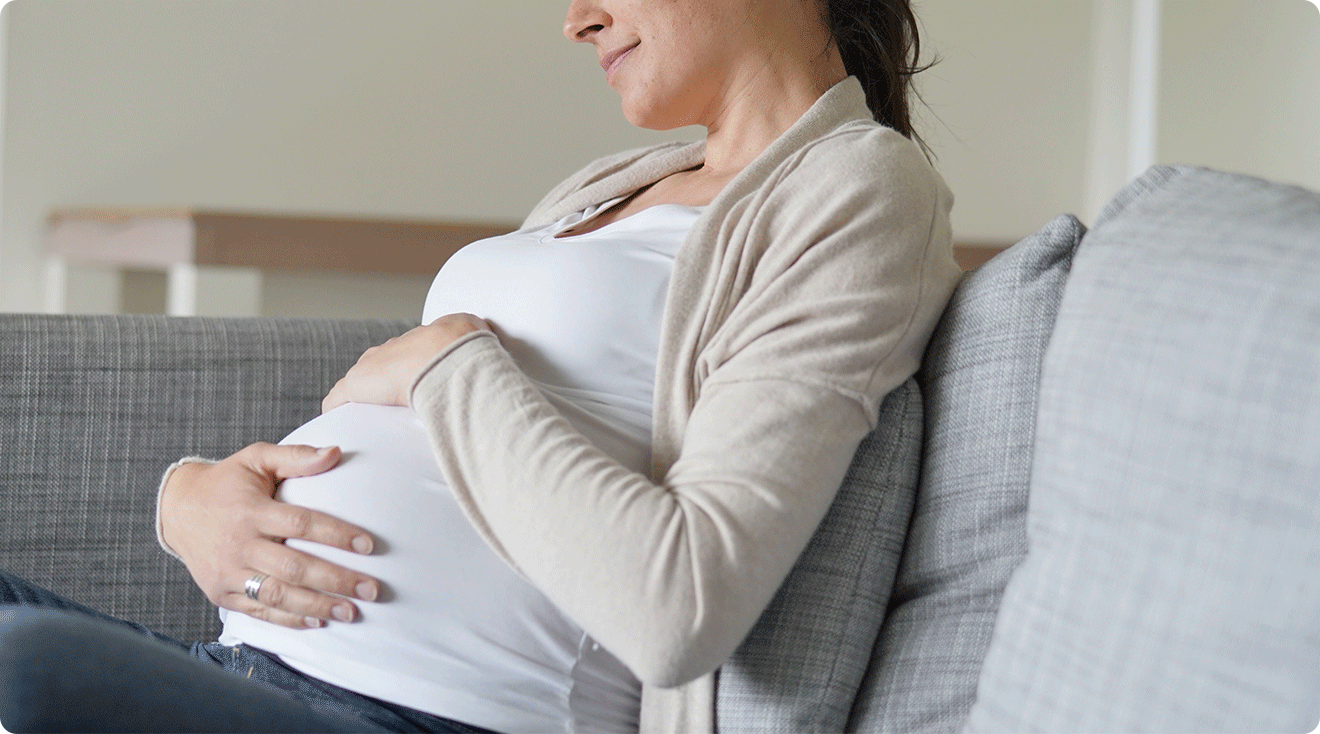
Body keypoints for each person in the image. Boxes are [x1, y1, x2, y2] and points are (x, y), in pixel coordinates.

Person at [0, 0, 960, 731]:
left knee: (29, 664)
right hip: (245, 671)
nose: (577, 20)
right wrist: (187, 505)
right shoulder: (614, 184)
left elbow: (679, 606)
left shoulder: (860, 185)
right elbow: (403, 410)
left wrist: (445, 362)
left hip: (421, 713)